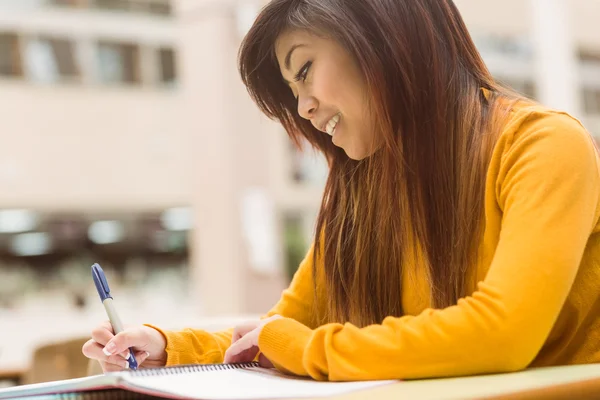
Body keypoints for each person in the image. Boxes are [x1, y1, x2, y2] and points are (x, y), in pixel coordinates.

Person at [82, 0, 600, 381]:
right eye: (293, 93)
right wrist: (168, 347)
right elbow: (280, 332)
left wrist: (304, 349)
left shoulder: (543, 144)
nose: (304, 108)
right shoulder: (363, 193)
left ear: (382, 34)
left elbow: (503, 334)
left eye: (304, 71)